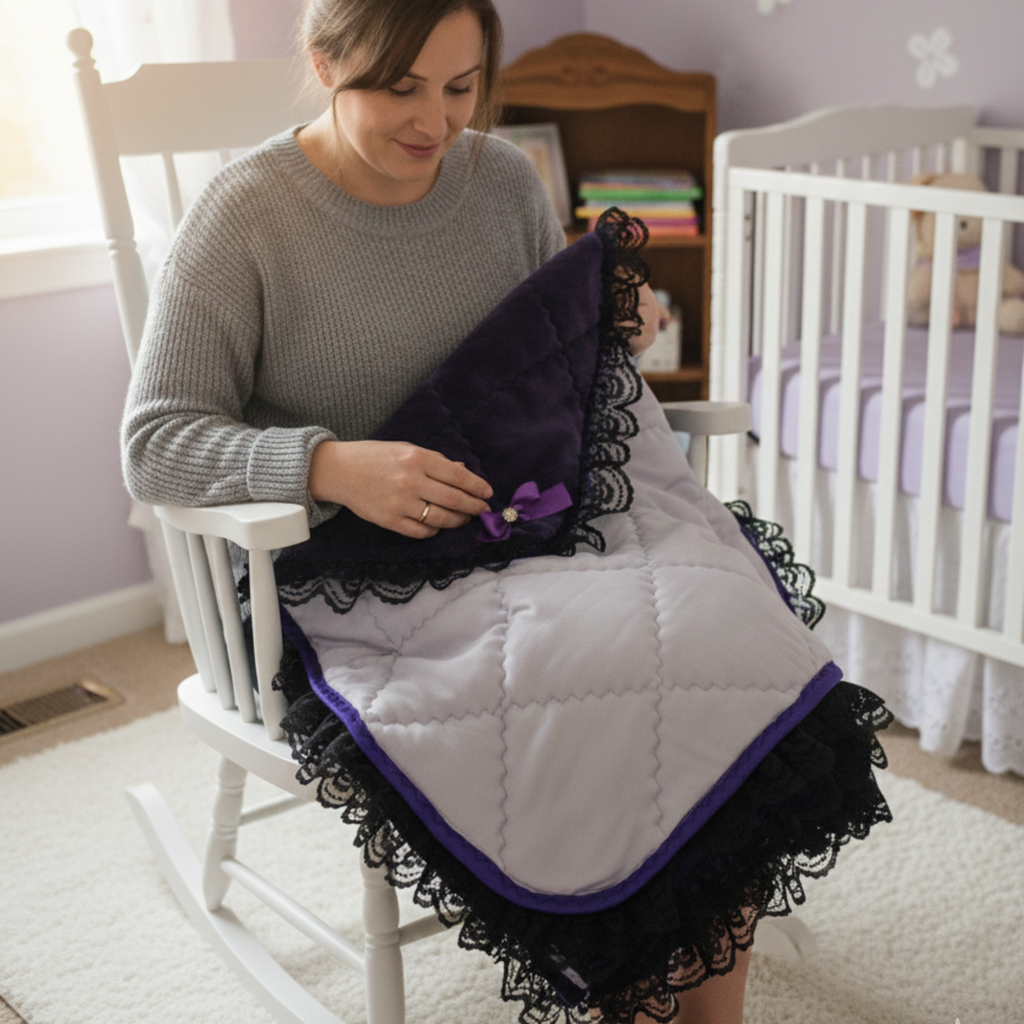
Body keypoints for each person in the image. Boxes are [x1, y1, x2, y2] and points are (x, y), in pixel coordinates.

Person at [122, 3, 891, 1023]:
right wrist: (331, 464)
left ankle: (704, 1007)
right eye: (401, 88)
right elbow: (155, 438)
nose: (435, 123)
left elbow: (545, 359)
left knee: (724, 633)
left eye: (460, 86)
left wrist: (617, 325)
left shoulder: (500, 182)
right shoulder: (245, 215)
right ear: (325, 63)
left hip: (527, 517)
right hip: (348, 567)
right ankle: (640, 987)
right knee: (589, 673)